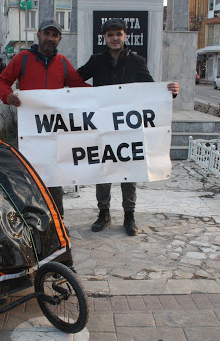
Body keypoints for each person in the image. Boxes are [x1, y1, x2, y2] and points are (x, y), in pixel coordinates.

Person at [77, 18, 180, 237]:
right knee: (102, 170)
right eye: (110, 35)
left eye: (119, 34)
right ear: (104, 38)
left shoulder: (136, 61)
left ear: (125, 36)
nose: (115, 38)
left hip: (128, 128)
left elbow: (150, 88)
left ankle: (129, 215)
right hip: (103, 126)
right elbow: (75, 80)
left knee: (128, 171)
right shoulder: (96, 61)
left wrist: (169, 91)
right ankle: (103, 213)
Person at [0, 18, 89, 220]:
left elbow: (79, 86)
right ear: (38, 35)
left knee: (54, 174)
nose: (50, 38)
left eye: (55, 35)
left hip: (54, 130)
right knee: (28, 173)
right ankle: (31, 218)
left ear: (59, 39)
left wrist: (111, 96)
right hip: (29, 131)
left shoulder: (63, 63)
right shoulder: (23, 58)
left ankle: (57, 219)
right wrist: (7, 96)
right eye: (47, 34)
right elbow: (2, 81)